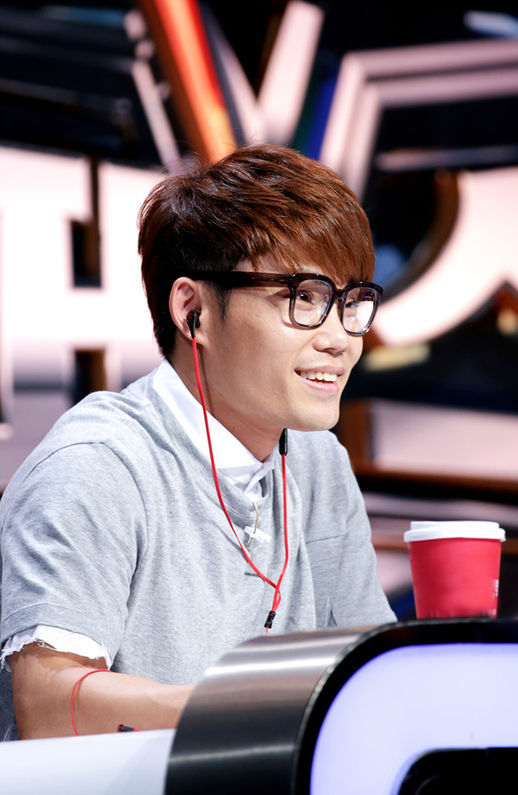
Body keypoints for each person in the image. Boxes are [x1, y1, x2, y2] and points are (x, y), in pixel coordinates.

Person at [0, 144, 395, 741]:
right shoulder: (97, 465)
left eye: (351, 302)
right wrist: (245, 713)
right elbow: (52, 705)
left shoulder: (318, 463)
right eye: (304, 297)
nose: (340, 337)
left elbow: (371, 674)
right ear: (193, 312)